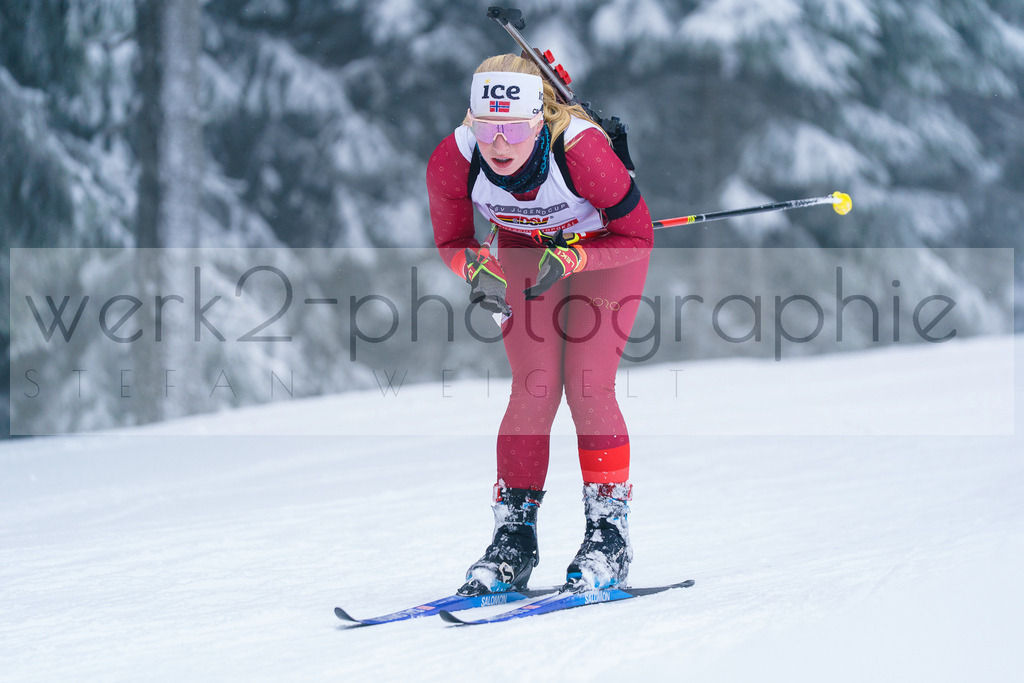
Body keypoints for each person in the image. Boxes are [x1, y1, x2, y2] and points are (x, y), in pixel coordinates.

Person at [426, 53, 653, 594]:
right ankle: (513, 540)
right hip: (524, 250)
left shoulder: (582, 151)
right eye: (486, 127)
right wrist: (476, 268)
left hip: (604, 252)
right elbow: (452, 242)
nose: (498, 143)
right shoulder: (453, 160)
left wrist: (575, 259)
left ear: (537, 120)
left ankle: (607, 538)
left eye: (511, 128)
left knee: (586, 385)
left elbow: (638, 236)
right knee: (534, 387)